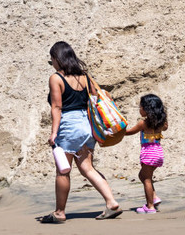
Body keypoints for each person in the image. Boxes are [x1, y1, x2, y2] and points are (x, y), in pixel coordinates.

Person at [41, 41, 122, 223]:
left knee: (63, 172)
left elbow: (57, 107)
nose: (52, 62)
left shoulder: (56, 78)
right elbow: (96, 97)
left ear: (58, 58)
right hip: (86, 125)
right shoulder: (84, 77)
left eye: (52, 58)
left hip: (69, 126)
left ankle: (60, 212)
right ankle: (111, 202)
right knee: (87, 168)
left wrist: (54, 132)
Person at [124, 94, 168, 214]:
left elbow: (128, 132)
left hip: (149, 153)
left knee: (147, 179)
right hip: (158, 152)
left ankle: (150, 207)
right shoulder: (162, 122)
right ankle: (154, 197)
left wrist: (118, 130)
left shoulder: (143, 123)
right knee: (142, 176)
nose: (140, 109)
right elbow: (165, 128)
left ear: (147, 109)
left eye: (141, 107)